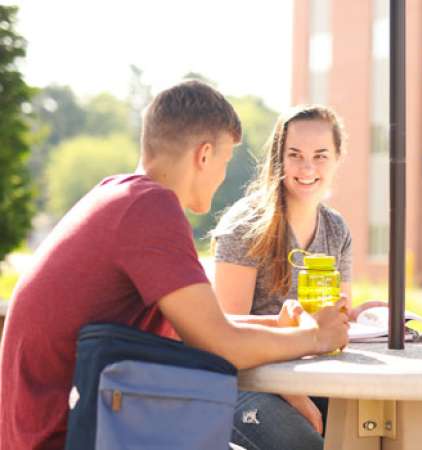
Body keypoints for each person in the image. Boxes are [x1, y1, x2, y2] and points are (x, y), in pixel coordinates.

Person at [0, 81, 349, 450]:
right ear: (204, 155)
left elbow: (201, 324)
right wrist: (315, 337)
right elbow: (219, 344)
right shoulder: (151, 208)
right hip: (71, 435)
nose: (221, 176)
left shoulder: (120, 195)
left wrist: (273, 325)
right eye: (226, 161)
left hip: (74, 423)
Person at [212, 105, 362, 450]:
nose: (308, 168)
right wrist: (294, 396)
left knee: (383, 431)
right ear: (278, 159)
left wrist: (364, 314)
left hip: (318, 378)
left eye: (321, 155)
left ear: (338, 158)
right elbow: (226, 333)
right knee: (309, 446)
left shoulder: (336, 229)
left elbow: (335, 321)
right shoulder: (246, 224)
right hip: (248, 383)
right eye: (295, 155)